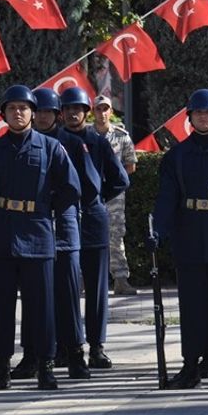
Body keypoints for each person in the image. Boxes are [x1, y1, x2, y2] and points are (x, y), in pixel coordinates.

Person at [0, 86, 80, 390]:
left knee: (41, 307)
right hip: (1, 233)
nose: (18, 113)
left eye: (24, 108)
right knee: (1, 307)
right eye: (12, 108)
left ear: (32, 112)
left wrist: (46, 208)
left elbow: (71, 188)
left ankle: (46, 366)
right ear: (3, 113)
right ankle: (1, 369)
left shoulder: (50, 147)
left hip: (38, 234)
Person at [151, 88, 208, 390]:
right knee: (192, 307)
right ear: (189, 116)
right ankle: (191, 364)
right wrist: (158, 230)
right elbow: (168, 197)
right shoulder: (177, 156)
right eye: (198, 112)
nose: (204, 117)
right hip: (189, 235)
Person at [21, 86, 91, 382]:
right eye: (38, 112)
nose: (42, 117)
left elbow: (87, 186)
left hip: (63, 228)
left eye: (48, 112)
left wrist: (57, 203)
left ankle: (75, 354)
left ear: (57, 114)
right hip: (34, 231)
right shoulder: (24, 142)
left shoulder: (72, 144)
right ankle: (32, 354)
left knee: (67, 295)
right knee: (34, 298)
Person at [61, 87, 130, 373]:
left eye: (78, 108)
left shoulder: (98, 141)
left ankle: (97, 346)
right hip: (64, 218)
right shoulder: (55, 140)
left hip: (92, 218)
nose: (73, 113)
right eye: (68, 108)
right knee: (66, 287)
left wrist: (98, 197)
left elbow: (120, 179)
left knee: (97, 288)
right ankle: (67, 345)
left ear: (86, 112)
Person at [94, 95, 138, 296]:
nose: (102, 113)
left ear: (111, 112)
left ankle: (120, 279)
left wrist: (115, 182)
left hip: (114, 196)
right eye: (98, 109)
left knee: (116, 234)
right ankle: (82, 280)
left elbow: (130, 165)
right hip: (90, 193)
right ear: (92, 112)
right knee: (83, 232)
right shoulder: (86, 135)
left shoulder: (122, 136)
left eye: (105, 109)